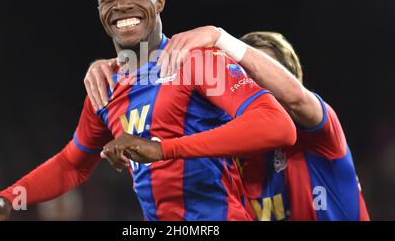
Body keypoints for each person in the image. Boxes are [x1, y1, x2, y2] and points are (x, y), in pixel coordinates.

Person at [0, 0, 296, 221]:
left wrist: (163, 149)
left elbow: (277, 124)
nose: (122, 5)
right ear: (100, 9)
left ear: (159, 0)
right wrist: (6, 199)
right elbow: (73, 163)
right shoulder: (105, 84)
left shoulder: (196, 61)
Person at [86, 26, 370, 221]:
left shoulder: (322, 135)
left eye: (263, 80)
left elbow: (295, 99)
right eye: (242, 79)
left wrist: (218, 37)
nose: (253, 89)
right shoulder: (225, 158)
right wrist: (123, 66)